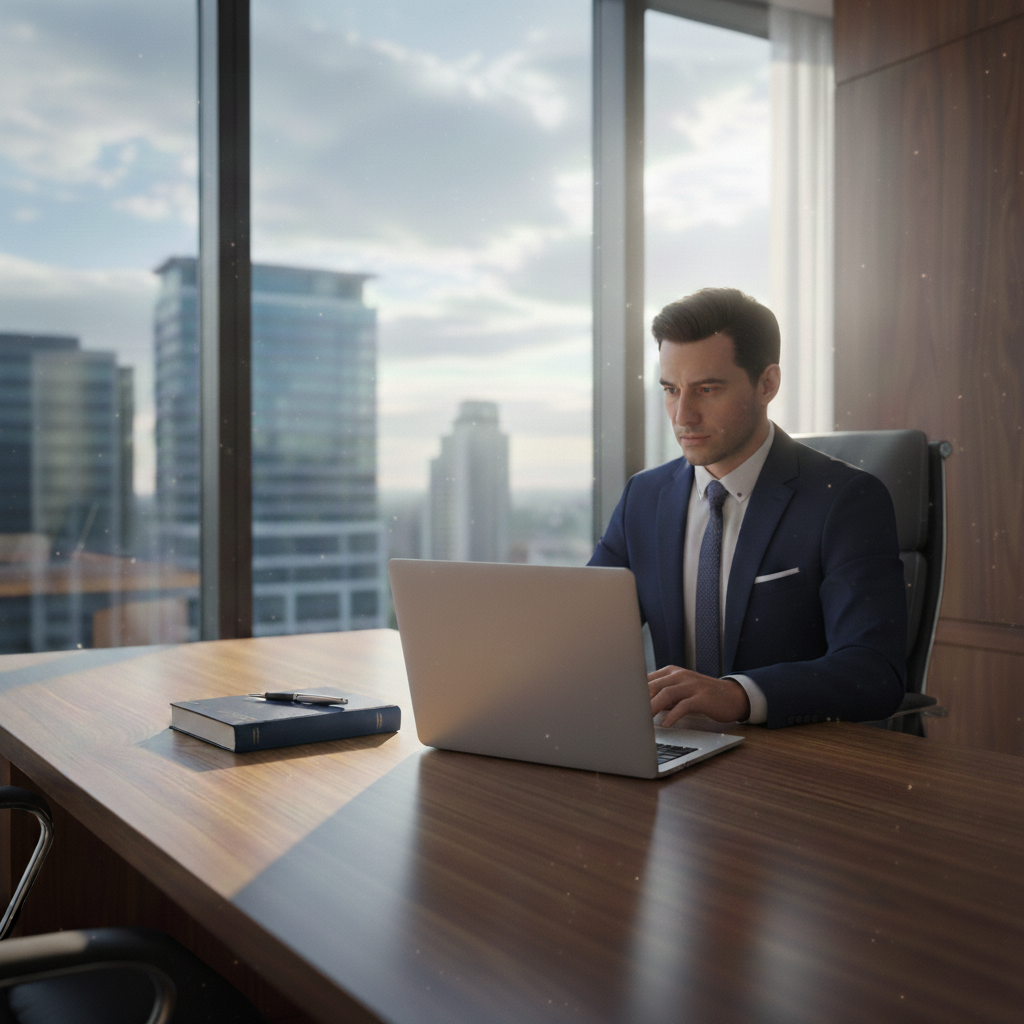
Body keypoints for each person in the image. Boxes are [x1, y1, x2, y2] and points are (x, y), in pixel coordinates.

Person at [589, 288, 907, 728]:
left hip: (793, 761)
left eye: (706, 389)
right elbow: (582, 633)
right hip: (676, 752)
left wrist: (738, 694)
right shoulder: (644, 498)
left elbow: (874, 672)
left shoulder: (845, 500)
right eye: (670, 390)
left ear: (767, 384)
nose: (683, 415)